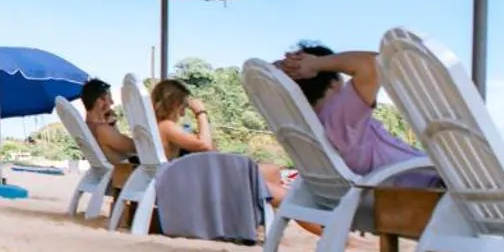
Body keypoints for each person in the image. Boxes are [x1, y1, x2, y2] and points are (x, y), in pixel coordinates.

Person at [277, 42, 435, 186]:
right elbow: (375, 64)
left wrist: (289, 67)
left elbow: (258, 75)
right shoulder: (340, 119)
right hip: (432, 185)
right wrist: (316, 64)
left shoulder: (310, 126)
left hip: (421, 180)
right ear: (334, 83)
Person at [149, 78, 288, 203]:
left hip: (192, 176)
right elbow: (206, 146)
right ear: (174, 103)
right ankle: (275, 210)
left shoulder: (162, 126)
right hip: (190, 181)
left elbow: (212, 150)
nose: (184, 112)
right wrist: (201, 113)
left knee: (272, 171)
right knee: (269, 184)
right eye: (184, 105)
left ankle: (265, 218)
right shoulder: (166, 126)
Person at [77, 78, 137, 164]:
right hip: (126, 173)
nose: (112, 102)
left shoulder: (86, 127)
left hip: (111, 173)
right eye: (110, 98)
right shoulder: (102, 130)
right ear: (100, 102)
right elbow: (137, 147)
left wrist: (112, 124)